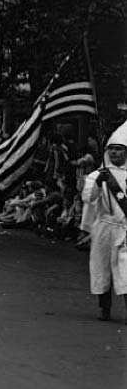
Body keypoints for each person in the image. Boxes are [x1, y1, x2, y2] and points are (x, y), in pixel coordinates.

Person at [83, 120, 127, 322]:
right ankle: (104, 308)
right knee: (101, 267)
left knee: (125, 270)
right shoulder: (96, 175)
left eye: (119, 150)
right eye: (112, 150)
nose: (115, 153)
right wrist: (99, 185)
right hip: (103, 226)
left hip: (123, 229)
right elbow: (88, 199)